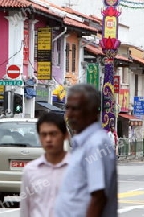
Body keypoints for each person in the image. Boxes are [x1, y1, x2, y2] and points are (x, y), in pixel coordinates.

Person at [54, 84, 118, 217]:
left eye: (76, 109)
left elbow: (98, 197)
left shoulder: (96, 144)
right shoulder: (82, 142)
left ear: (93, 111)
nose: (70, 114)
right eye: (67, 108)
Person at [20, 112, 69, 217]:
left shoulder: (78, 168)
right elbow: (25, 210)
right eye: (44, 134)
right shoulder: (30, 171)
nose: (48, 139)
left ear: (65, 135)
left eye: (53, 134)